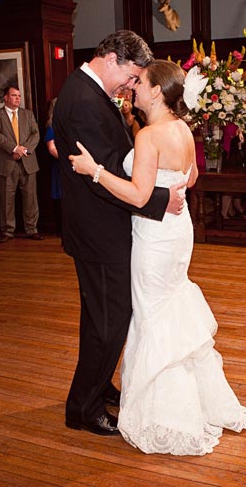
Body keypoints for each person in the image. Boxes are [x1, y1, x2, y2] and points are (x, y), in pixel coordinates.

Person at [69, 58, 246, 455]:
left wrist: (94, 170)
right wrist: (172, 187)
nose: (133, 87)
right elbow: (192, 177)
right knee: (170, 307)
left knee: (153, 315)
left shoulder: (149, 136)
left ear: (155, 91)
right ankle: (190, 401)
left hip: (153, 238)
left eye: (141, 82)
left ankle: (166, 412)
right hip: (177, 233)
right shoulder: (182, 128)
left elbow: (136, 195)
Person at [52, 30, 183, 437]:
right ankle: (84, 408)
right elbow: (103, 174)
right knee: (109, 320)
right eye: (132, 75)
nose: (132, 85)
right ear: (110, 58)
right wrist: (160, 199)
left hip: (102, 225)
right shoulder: (83, 102)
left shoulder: (88, 93)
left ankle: (97, 385)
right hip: (99, 229)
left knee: (102, 318)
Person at [0, 86, 42, 242]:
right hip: (6, 162)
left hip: (27, 161)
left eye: (19, 96)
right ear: (5, 97)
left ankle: (32, 229)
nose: (17, 98)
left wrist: (23, 150)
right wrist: (14, 148)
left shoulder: (28, 114)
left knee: (31, 198)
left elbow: (35, 134)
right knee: (6, 199)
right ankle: (8, 231)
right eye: (14, 95)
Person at [43, 98, 62, 234]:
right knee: (61, 197)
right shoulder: (51, 126)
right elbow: (52, 149)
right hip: (61, 166)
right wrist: (68, 159)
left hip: (74, 166)